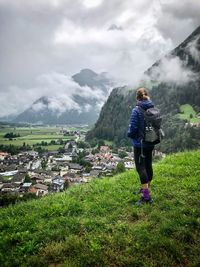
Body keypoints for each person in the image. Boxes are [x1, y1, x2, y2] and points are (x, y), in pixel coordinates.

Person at [127, 87, 154, 204]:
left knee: (140, 168)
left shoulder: (137, 110)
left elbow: (133, 129)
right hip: (151, 141)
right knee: (148, 165)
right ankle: (146, 188)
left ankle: (146, 197)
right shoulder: (153, 108)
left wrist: (129, 134)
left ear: (137, 98)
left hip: (140, 144)